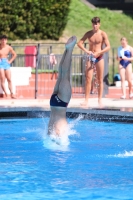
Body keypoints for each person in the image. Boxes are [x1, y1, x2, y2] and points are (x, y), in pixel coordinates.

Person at [77, 17, 110, 107]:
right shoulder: (89, 33)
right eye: (93, 24)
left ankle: (100, 100)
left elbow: (108, 46)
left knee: (99, 79)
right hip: (90, 57)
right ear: (92, 24)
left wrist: (100, 52)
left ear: (99, 24)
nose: (95, 26)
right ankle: (86, 100)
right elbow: (79, 43)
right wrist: (87, 51)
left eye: (96, 24)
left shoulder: (103, 34)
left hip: (99, 57)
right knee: (88, 79)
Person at [48, 36, 77, 136]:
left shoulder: (58, 137)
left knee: (64, 74)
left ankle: (69, 49)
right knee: (62, 74)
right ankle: (68, 50)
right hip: (53, 103)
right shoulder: (56, 137)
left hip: (60, 103)